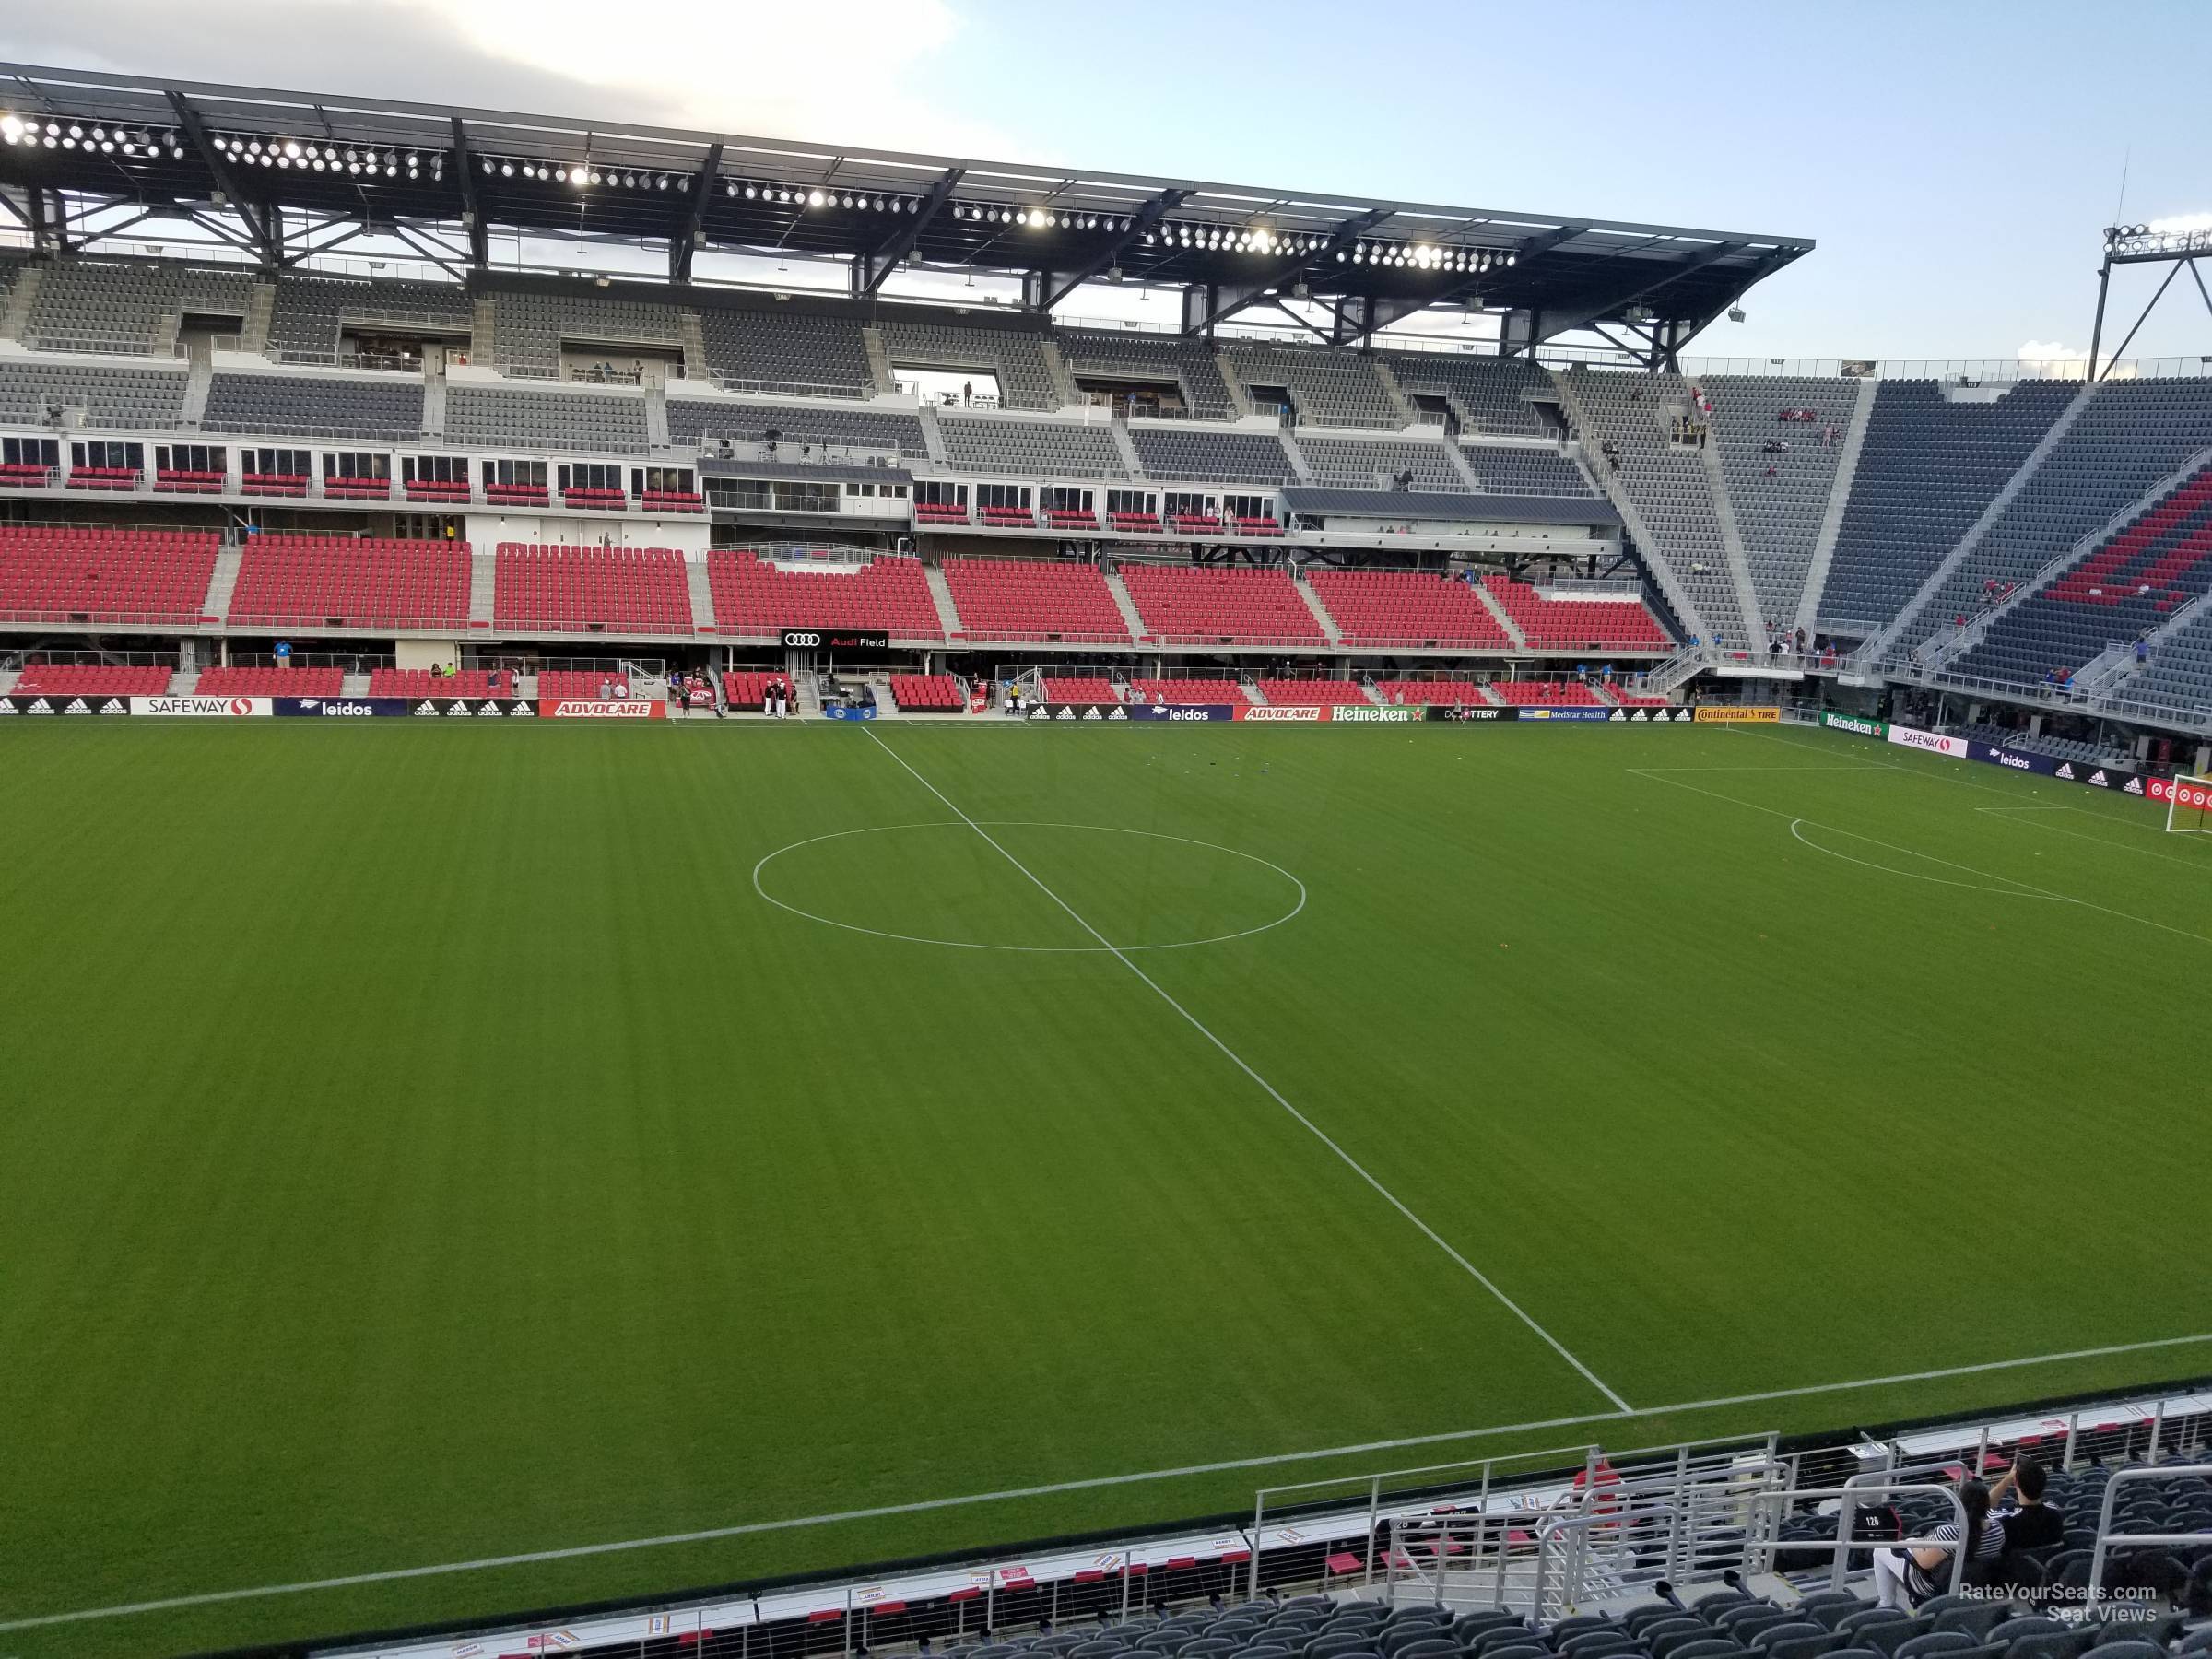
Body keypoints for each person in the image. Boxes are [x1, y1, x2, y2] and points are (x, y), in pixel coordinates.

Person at [1872, 1478, 2002, 1609]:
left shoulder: (1949, 1533)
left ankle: (1885, 1602)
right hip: (1974, 1586)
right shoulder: (1998, 1530)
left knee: (1879, 1550)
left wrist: (1912, 1543)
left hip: (1934, 1586)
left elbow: (1923, 1563)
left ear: (1960, 1503)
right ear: (1987, 1504)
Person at [1989, 1456, 2064, 1553]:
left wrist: (2008, 1479)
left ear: (2015, 1482)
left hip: (2014, 1567)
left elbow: (1983, 1507)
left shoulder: (2005, 1519)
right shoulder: (2055, 1512)